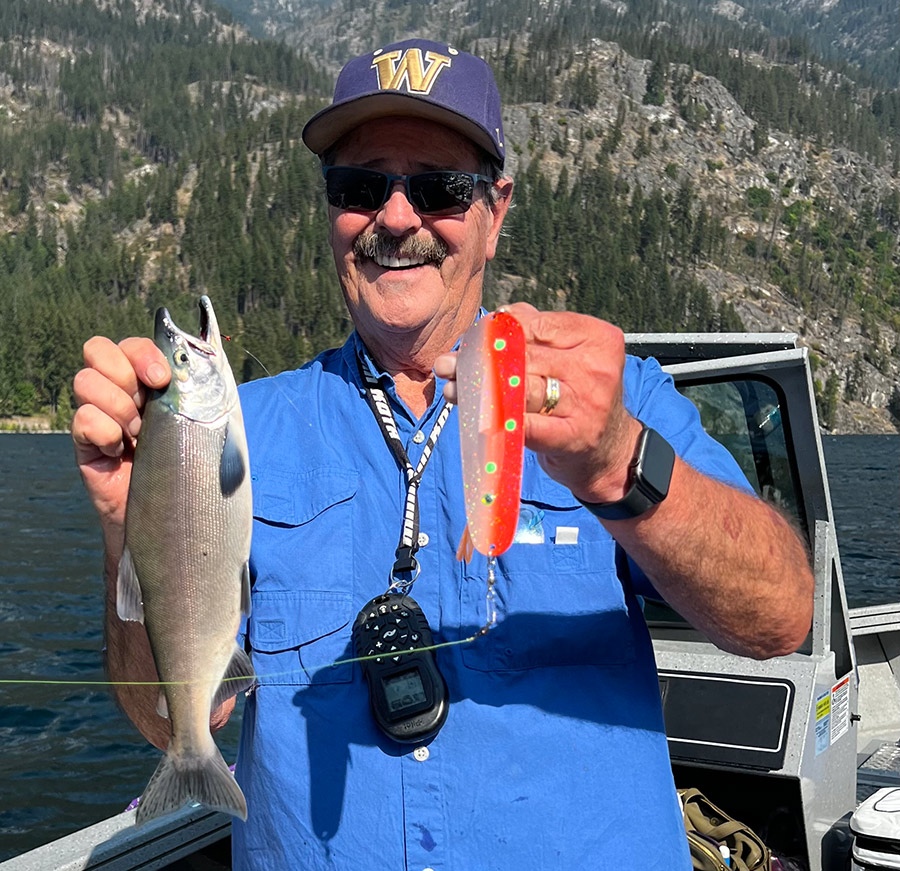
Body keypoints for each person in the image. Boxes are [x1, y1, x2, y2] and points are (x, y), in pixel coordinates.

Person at [72, 38, 814, 870]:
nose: (395, 218)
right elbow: (171, 721)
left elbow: (780, 617)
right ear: (330, 211)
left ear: (495, 212)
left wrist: (616, 465)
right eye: (360, 187)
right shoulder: (245, 429)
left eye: (438, 190)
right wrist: (124, 531)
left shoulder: (615, 400)